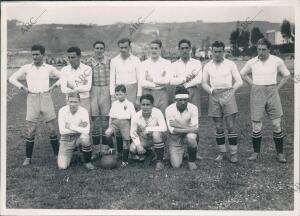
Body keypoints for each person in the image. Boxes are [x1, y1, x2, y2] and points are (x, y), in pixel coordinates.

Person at [240, 38, 291, 163]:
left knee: (276, 124)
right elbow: (242, 73)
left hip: (272, 91)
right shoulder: (252, 62)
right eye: (259, 49)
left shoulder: (276, 60)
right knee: (256, 125)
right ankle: (255, 152)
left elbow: (287, 75)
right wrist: (253, 85)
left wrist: (277, 88)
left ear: (269, 49)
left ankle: (280, 153)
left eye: (264, 49)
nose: (261, 52)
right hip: (257, 92)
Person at [9, 44, 61, 166]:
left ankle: (57, 155)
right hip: (32, 98)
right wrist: (23, 88)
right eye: (33, 54)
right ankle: (28, 158)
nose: (35, 57)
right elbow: (12, 78)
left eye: (37, 54)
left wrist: (54, 86)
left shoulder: (48, 67)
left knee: (52, 129)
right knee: (31, 130)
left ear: (43, 55)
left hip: (46, 97)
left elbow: (63, 76)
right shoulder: (27, 67)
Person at [202, 41, 243, 163]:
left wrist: (231, 92)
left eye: (220, 51)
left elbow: (239, 81)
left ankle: (233, 153)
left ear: (223, 51)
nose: (217, 54)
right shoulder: (207, 66)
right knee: (219, 127)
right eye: (215, 51)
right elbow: (204, 83)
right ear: (212, 51)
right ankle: (222, 153)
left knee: (230, 126)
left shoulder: (230, 64)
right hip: (214, 95)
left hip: (228, 94)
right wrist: (211, 91)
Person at [85, 41, 112, 159]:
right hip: (93, 91)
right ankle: (96, 149)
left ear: (104, 49)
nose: (99, 50)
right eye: (97, 48)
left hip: (106, 90)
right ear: (93, 49)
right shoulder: (88, 62)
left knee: (106, 121)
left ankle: (105, 148)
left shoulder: (110, 61)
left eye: (101, 48)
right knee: (95, 121)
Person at [57, 92, 95, 170]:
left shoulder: (84, 111)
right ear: (67, 101)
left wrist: (70, 126)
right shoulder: (62, 111)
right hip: (66, 140)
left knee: (85, 137)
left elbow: (87, 130)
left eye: (75, 102)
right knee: (62, 166)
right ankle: (73, 152)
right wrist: (79, 128)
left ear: (79, 102)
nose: (73, 104)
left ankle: (87, 162)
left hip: (78, 138)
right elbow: (62, 131)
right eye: (71, 102)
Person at [130, 94, 167, 171]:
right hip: (145, 139)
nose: (145, 107)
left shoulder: (157, 112)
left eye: (148, 104)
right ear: (140, 105)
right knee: (133, 148)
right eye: (143, 104)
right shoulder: (136, 116)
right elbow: (133, 132)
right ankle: (149, 153)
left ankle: (159, 161)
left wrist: (149, 129)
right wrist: (138, 145)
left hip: (158, 137)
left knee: (156, 134)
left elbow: (164, 127)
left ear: (152, 105)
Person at [165, 86, 199, 170]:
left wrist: (179, 125)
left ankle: (191, 161)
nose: (183, 102)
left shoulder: (194, 108)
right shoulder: (169, 109)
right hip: (175, 138)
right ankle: (183, 151)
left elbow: (196, 129)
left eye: (185, 100)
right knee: (176, 165)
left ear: (188, 99)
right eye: (180, 100)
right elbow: (172, 131)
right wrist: (190, 129)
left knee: (191, 138)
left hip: (188, 135)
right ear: (175, 100)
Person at [105, 85, 136, 167]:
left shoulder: (130, 104)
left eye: (120, 94)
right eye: (117, 94)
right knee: (107, 133)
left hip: (125, 123)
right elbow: (111, 116)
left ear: (126, 94)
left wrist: (132, 128)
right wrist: (109, 126)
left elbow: (134, 117)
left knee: (125, 142)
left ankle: (125, 161)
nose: (118, 96)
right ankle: (114, 151)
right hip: (115, 122)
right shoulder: (114, 103)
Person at [139, 39, 171, 114]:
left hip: (162, 93)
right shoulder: (143, 64)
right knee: (148, 116)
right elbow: (142, 82)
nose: (153, 51)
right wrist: (156, 83)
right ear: (149, 49)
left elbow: (167, 80)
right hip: (147, 93)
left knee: (162, 116)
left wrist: (151, 79)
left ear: (160, 49)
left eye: (156, 48)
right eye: (152, 48)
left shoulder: (166, 63)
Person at [110, 38, 142, 107]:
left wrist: (138, 97)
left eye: (125, 47)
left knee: (132, 112)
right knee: (119, 112)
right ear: (119, 47)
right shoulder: (114, 60)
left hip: (132, 91)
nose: (123, 50)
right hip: (118, 91)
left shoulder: (136, 60)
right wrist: (112, 96)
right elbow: (112, 80)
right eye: (121, 47)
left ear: (130, 47)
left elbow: (140, 80)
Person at [60, 46, 92, 113]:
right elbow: (63, 89)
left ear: (79, 56)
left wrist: (73, 87)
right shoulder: (64, 70)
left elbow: (87, 87)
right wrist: (79, 89)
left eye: (73, 57)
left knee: (84, 121)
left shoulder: (87, 69)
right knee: (71, 121)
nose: (70, 60)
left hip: (84, 99)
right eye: (69, 57)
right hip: (70, 100)